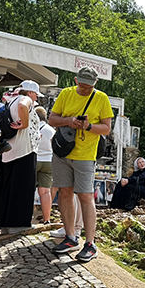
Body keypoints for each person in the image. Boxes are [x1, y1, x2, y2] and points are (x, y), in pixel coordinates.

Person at [49, 66, 113, 262]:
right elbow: (52, 119)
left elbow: (107, 129)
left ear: (95, 84)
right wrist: (69, 121)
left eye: (89, 87)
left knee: (85, 195)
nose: (86, 90)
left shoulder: (101, 98)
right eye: (83, 86)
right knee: (65, 192)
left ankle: (90, 243)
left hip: (85, 155)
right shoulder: (66, 94)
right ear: (76, 80)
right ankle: (70, 236)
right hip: (63, 152)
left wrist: (88, 126)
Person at [0, 81, 42, 231]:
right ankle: (19, 224)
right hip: (25, 150)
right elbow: (24, 105)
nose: (36, 98)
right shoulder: (25, 100)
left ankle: (6, 223)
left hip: (11, 151)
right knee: (23, 188)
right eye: (36, 94)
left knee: (10, 188)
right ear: (30, 92)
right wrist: (24, 124)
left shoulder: (10, 101)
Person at [35, 106, 55, 224]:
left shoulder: (33, 128)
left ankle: (26, 217)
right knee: (45, 191)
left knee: (27, 189)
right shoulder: (51, 130)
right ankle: (46, 219)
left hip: (35, 159)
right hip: (48, 161)